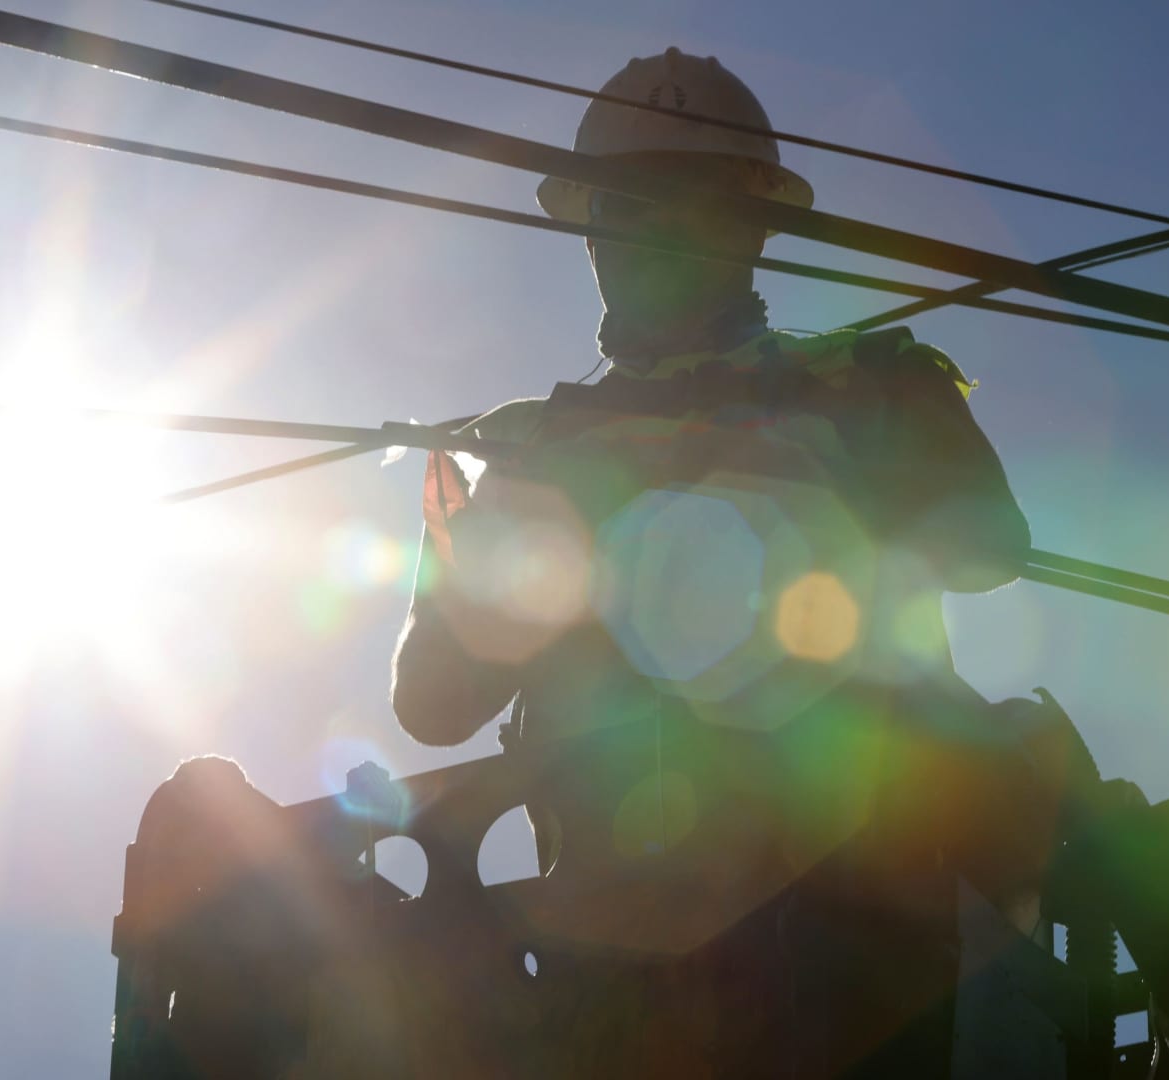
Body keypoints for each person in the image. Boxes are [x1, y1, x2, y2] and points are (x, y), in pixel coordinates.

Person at [390, 47, 1088, 1077]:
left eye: (694, 203)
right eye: (628, 204)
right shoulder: (526, 450)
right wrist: (505, 566)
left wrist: (824, 459)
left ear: (753, 225)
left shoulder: (863, 382)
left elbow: (988, 546)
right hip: (616, 948)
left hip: (858, 930)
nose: (655, 234)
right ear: (589, 228)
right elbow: (434, 701)